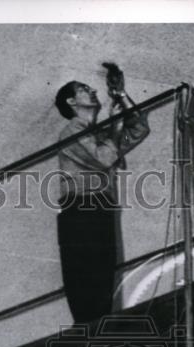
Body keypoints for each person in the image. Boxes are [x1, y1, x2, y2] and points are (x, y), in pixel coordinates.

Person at [53, 74, 150, 323]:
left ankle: (97, 329)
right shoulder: (72, 130)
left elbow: (139, 129)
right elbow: (104, 158)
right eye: (84, 89)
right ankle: (89, 330)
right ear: (72, 101)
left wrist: (121, 95)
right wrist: (116, 128)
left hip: (99, 206)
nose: (92, 90)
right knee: (86, 275)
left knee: (103, 271)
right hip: (80, 207)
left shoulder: (100, 135)